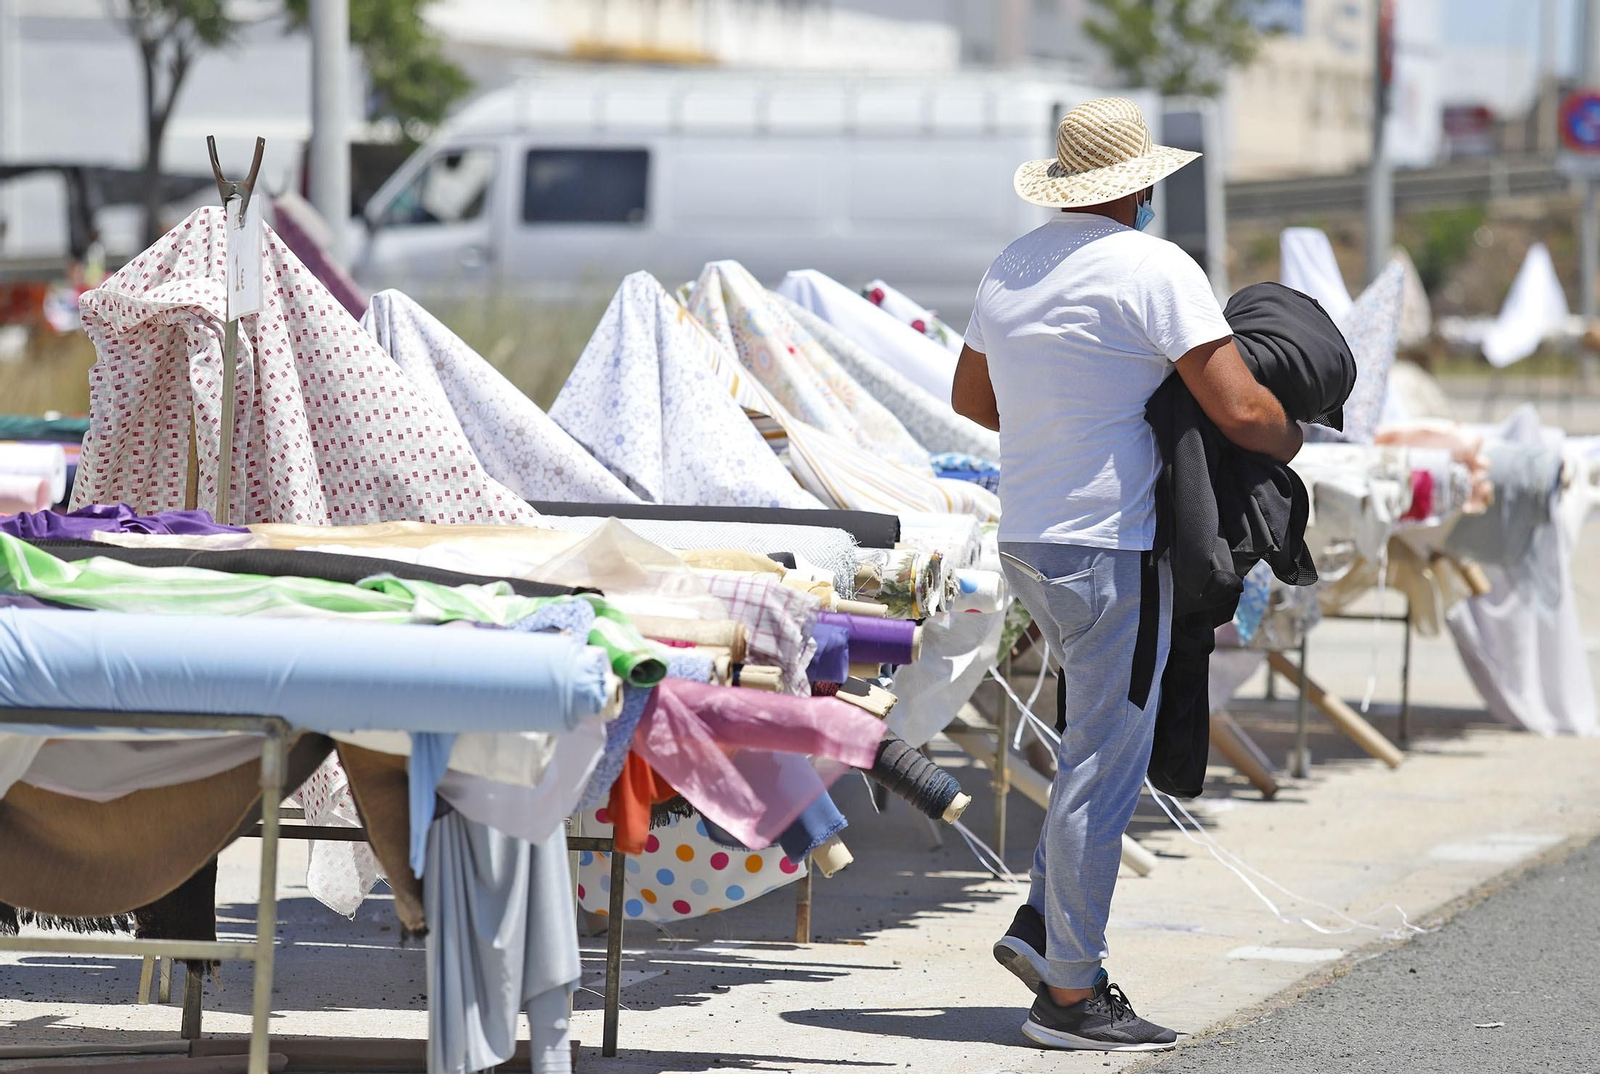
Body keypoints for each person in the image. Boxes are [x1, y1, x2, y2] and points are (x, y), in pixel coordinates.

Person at [951, 97, 1302, 1052]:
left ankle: (1041, 932)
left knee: (1087, 747)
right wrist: (1293, 431)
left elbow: (973, 397)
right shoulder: (1155, 267)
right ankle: (1069, 995)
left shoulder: (1012, 264)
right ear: (1138, 185)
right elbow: (1238, 409)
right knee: (1103, 766)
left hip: (1028, 537)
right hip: (1109, 544)